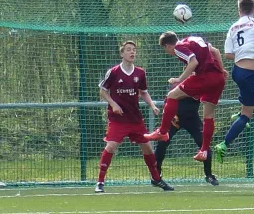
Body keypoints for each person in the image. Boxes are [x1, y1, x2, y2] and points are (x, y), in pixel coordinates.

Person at [95, 40, 174, 193]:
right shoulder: (114, 72)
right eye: (128, 50)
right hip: (118, 119)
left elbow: (143, 92)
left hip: (135, 118)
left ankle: (156, 179)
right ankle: (100, 182)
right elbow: (103, 91)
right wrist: (113, 104)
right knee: (111, 146)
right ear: (122, 53)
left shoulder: (140, 73)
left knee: (147, 148)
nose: (132, 52)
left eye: (134, 50)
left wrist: (151, 105)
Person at [144, 32, 227, 162]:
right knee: (208, 116)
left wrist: (179, 79)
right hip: (218, 78)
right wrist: (222, 71)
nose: (169, 52)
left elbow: (193, 62)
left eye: (165, 49)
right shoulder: (193, 40)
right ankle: (203, 151)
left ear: (167, 46)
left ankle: (162, 132)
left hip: (205, 76)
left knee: (171, 96)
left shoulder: (178, 47)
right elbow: (216, 51)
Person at [214, 0, 254, 163]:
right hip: (248, 74)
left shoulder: (233, 27)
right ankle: (224, 144)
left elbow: (228, 54)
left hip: (240, 71)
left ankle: (241, 115)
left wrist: (245, 54)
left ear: (239, 10)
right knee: (248, 114)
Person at [155, 95, 219, 186]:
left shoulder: (202, 85)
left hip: (192, 118)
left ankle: (208, 175)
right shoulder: (182, 85)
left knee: (204, 142)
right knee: (163, 142)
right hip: (176, 118)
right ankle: (156, 174)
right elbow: (169, 98)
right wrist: (171, 114)